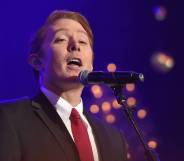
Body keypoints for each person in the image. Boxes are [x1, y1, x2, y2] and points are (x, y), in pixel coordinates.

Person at [0, 10, 127, 161]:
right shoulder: (9, 119)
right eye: (61, 39)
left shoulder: (113, 139)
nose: (75, 46)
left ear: (91, 64)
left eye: (82, 41)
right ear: (37, 62)